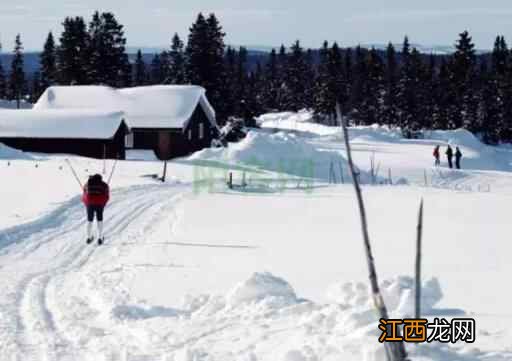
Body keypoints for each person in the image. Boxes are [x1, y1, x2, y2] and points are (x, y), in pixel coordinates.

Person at [82, 174, 110, 245]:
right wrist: (103, 204)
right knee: (99, 220)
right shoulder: (104, 185)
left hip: (90, 204)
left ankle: (89, 238)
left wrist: (87, 204)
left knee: (89, 220)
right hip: (99, 204)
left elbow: (84, 196)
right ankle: (100, 238)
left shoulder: (87, 184)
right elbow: (107, 197)